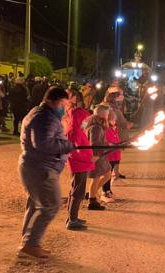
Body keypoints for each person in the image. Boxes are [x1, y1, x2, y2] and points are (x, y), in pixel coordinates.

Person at [18, 86, 74, 258]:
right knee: (51, 205)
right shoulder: (44, 117)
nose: (65, 108)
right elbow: (43, 144)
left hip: (35, 166)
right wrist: (68, 145)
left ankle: (28, 243)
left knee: (36, 204)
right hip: (41, 168)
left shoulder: (41, 113)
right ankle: (30, 244)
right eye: (63, 104)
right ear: (52, 101)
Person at [64, 89, 92, 231]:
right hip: (78, 163)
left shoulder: (78, 129)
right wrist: (87, 157)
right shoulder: (73, 131)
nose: (86, 123)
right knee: (78, 192)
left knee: (76, 190)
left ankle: (72, 217)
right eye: (84, 120)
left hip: (82, 162)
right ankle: (72, 219)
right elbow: (73, 150)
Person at [84, 104, 112, 211]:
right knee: (95, 178)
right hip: (96, 156)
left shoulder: (97, 125)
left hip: (100, 155)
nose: (108, 116)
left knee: (108, 174)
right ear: (103, 114)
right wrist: (99, 152)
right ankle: (92, 201)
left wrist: (107, 144)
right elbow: (94, 143)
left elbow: (99, 142)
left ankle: (92, 193)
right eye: (107, 114)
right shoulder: (95, 127)